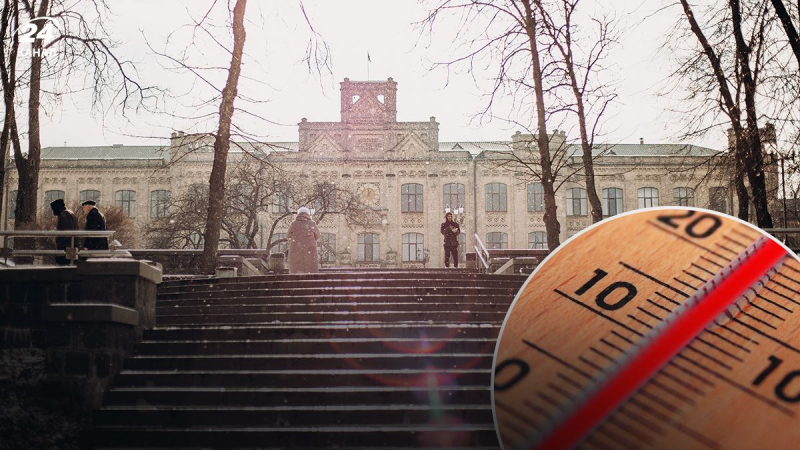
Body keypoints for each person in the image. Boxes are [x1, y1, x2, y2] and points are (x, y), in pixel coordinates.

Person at [286, 206, 321, 274]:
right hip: (310, 247)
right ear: (308, 214)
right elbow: (318, 235)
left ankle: (296, 279)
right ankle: (311, 279)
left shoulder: (294, 224)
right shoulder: (312, 223)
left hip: (296, 247)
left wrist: (294, 240)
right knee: (311, 264)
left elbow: (288, 236)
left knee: (296, 265)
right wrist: (311, 240)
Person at [50, 198, 78, 266]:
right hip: (70, 246)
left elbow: (67, 233)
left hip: (66, 248)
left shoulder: (64, 215)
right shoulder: (69, 213)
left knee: (64, 266)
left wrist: (64, 247)